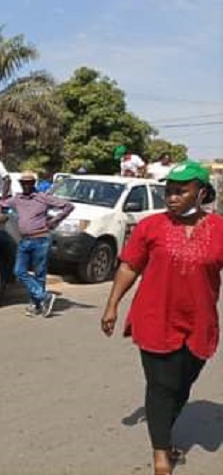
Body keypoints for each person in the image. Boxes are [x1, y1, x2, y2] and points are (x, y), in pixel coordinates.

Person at [101, 161, 223, 475]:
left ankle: (163, 433)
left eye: (180, 191)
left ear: (201, 193)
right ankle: (161, 456)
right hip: (155, 317)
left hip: (200, 322)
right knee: (160, 386)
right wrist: (112, 304)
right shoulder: (150, 227)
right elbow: (129, 266)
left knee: (182, 386)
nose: (171, 197)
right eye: (168, 191)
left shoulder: (220, 230)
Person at [0, 170, 74, 317]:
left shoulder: (42, 198)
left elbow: (68, 206)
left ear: (33, 184)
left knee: (40, 274)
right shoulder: (17, 199)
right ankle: (44, 297)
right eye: (23, 183)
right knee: (19, 271)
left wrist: (55, 220)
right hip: (24, 240)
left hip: (41, 239)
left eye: (29, 183)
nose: (26, 186)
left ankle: (37, 305)